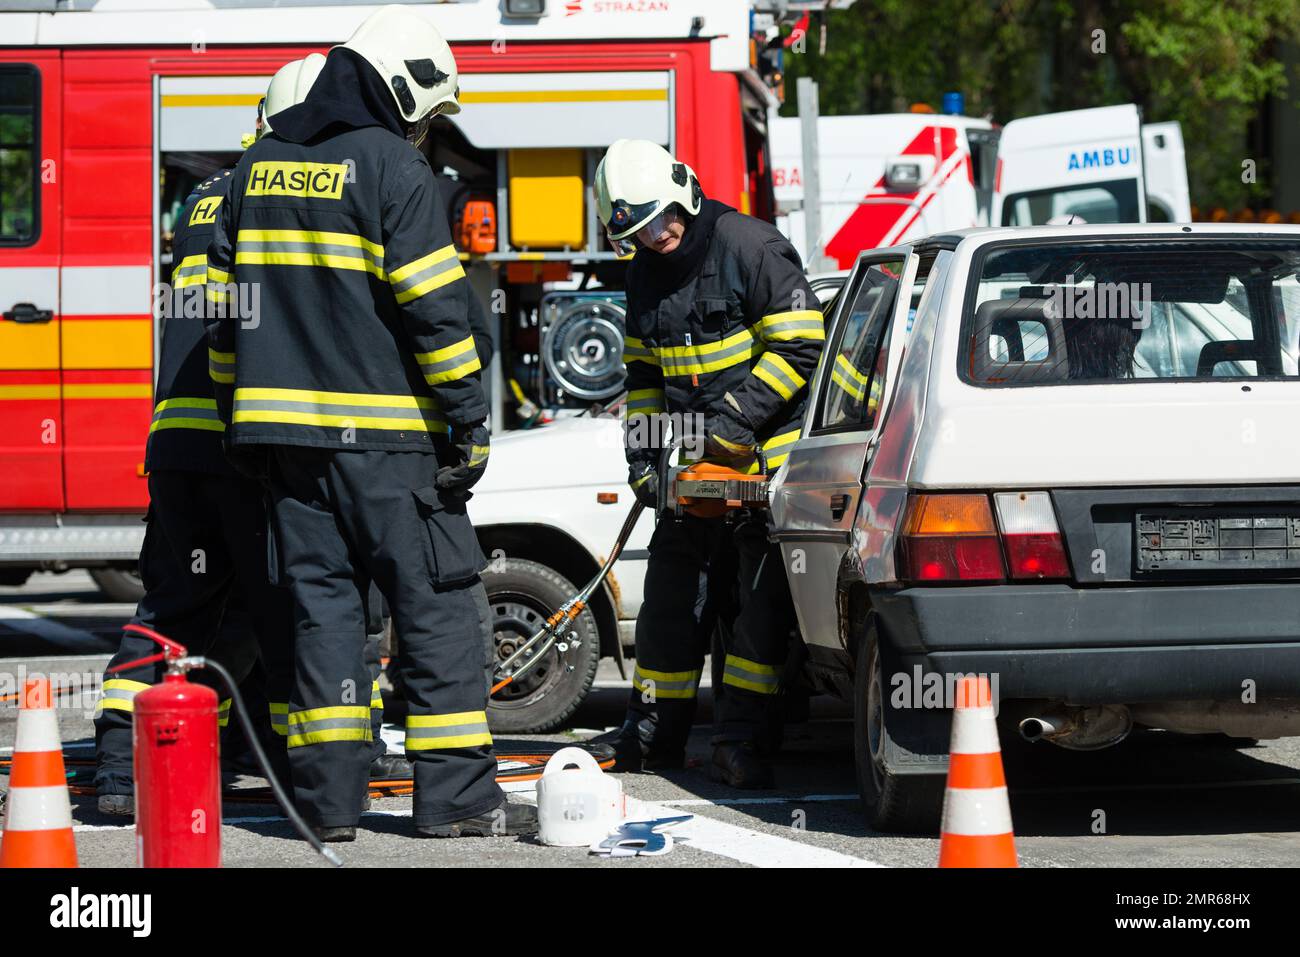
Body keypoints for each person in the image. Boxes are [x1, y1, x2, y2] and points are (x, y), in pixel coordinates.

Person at [205, 5, 535, 841]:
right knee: (439, 607)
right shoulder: (392, 167)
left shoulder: (252, 172)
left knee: (325, 618)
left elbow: (222, 322)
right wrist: (469, 424)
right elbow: (435, 313)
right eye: (428, 111)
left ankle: (325, 804)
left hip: (284, 451)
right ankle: (456, 796)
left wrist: (234, 424)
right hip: (392, 452)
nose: (428, 130)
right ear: (400, 86)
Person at [91, 59, 330, 814]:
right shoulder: (276, 202)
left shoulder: (201, 199)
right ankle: (304, 772)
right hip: (238, 441)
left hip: (176, 442)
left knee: (181, 604)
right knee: (280, 602)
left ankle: (134, 764)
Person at [593, 139, 825, 788]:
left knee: (757, 615)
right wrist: (644, 458)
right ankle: (653, 737)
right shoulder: (642, 269)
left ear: (682, 197)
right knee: (669, 606)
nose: (654, 239)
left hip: (763, 468)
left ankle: (739, 742)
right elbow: (643, 374)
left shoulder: (750, 246)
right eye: (637, 233)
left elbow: (801, 344)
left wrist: (728, 424)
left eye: (656, 223)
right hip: (693, 471)